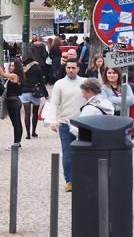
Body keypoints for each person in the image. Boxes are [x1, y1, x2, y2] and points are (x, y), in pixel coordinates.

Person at [49, 59, 85, 192]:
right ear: (65, 68)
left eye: (73, 68)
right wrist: (53, 121)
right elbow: (54, 103)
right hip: (65, 123)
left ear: (78, 69)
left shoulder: (85, 82)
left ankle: (83, 178)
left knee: (84, 153)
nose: (71, 70)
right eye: (68, 67)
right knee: (68, 153)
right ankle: (69, 180)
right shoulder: (59, 84)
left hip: (83, 124)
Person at [0, 58, 24, 150]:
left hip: (12, 101)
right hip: (17, 100)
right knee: (18, 122)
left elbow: (3, 74)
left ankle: (16, 143)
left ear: (17, 67)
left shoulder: (14, 76)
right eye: (10, 65)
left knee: (15, 123)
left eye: (13, 66)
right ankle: (18, 142)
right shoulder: (20, 76)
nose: (11, 67)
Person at [20, 51, 46, 140]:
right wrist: (45, 93)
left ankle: (28, 134)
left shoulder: (22, 68)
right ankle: (33, 132)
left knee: (27, 114)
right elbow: (41, 82)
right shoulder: (37, 67)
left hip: (24, 92)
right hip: (35, 92)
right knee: (35, 114)